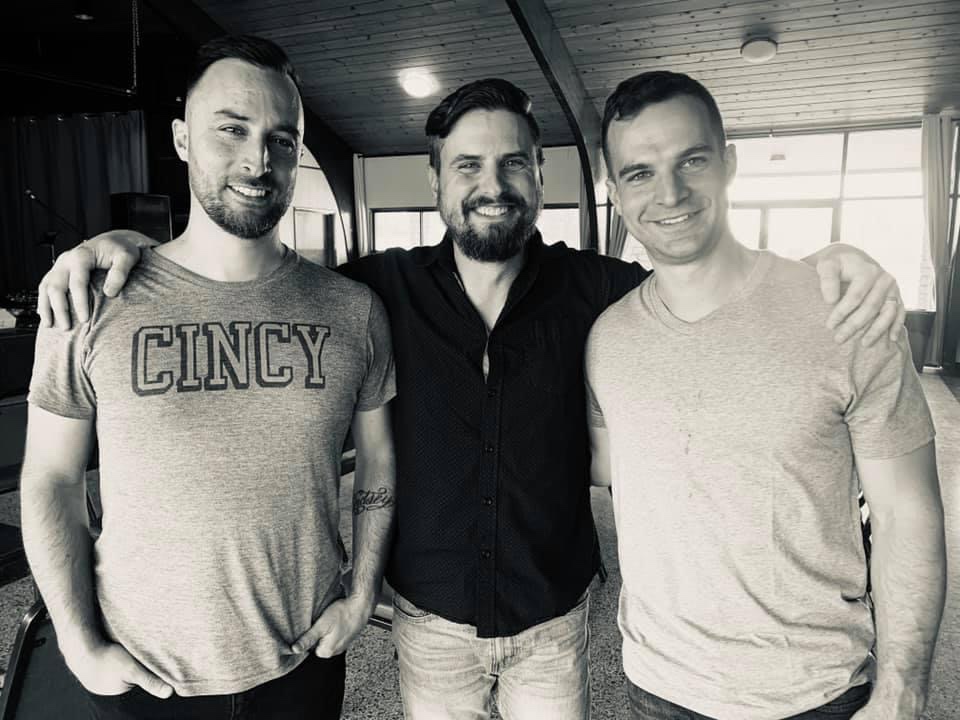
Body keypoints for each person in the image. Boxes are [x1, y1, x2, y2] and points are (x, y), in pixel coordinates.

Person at [38, 76, 906, 720]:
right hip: (429, 621)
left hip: (553, 617)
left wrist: (833, 263)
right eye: (468, 165)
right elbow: (253, 274)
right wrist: (122, 245)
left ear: (540, 173)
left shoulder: (600, 290)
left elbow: (708, 277)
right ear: (438, 181)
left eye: (513, 163)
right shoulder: (373, 292)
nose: (492, 184)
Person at [20, 35, 396, 720]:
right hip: (145, 674)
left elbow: (378, 458)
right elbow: (51, 478)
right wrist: (77, 643)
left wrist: (363, 593)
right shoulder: (91, 301)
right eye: (232, 129)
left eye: (282, 140)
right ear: (181, 139)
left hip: (302, 665)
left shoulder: (352, 310)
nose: (258, 160)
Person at [587, 71, 946, 720]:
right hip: (657, 688)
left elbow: (906, 512)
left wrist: (902, 689)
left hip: (816, 691)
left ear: (728, 164)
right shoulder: (606, 338)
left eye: (692, 160)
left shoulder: (845, 312)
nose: (669, 193)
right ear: (615, 194)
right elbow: (608, 464)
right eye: (639, 173)